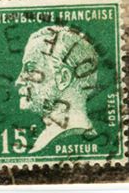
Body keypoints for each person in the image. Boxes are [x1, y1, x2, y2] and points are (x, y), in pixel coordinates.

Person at [15, 25, 99, 154]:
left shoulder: (62, 140)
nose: (18, 81)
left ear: (63, 79)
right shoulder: (47, 140)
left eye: (30, 69)